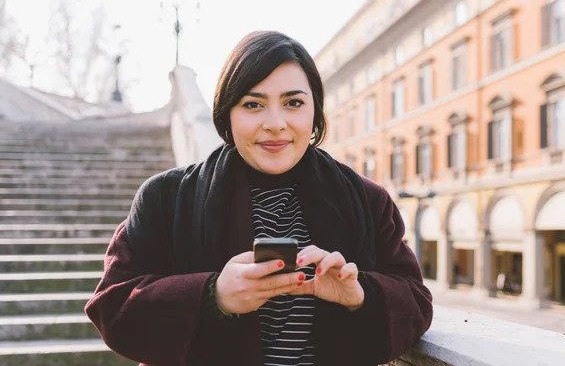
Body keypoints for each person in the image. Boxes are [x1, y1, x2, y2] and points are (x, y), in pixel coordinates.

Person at [85, 31, 433, 366]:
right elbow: (113, 307)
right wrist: (214, 296)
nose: (276, 123)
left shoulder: (368, 200)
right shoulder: (165, 198)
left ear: (315, 111)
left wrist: (361, 295)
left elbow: (417, 302)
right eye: (253, 104)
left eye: (293, 103)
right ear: (227, 114)